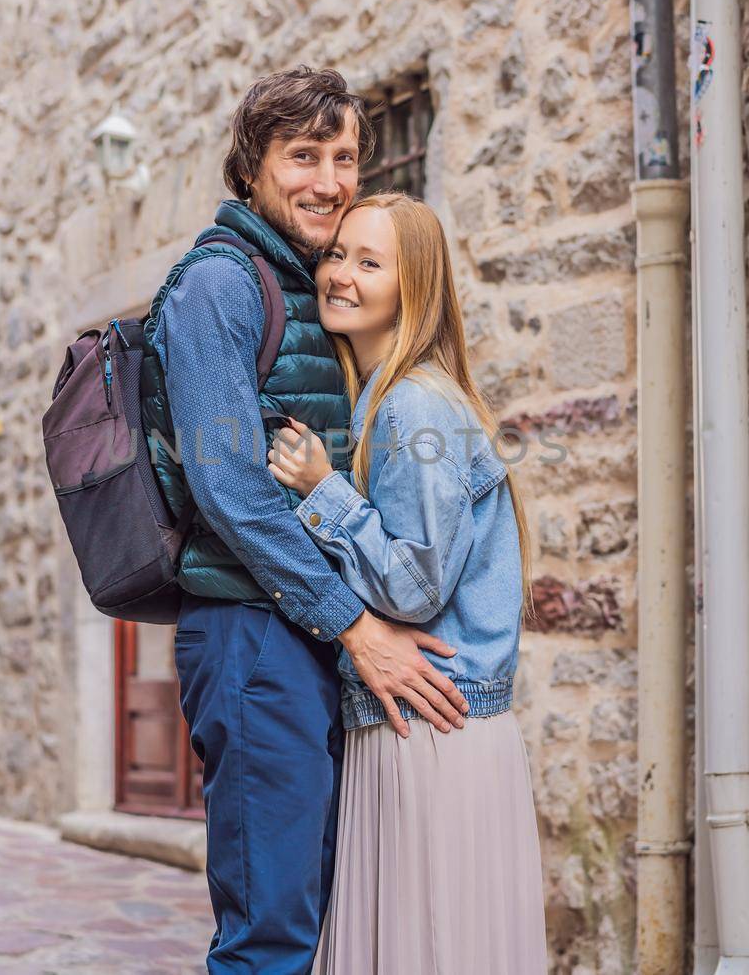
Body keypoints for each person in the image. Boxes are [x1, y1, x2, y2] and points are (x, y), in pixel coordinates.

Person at [149, 69, 471, 974]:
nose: (329, 180)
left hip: (294, 635)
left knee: (312, 915)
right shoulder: (219, 284)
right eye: (303, 156)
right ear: (251, 167)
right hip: (253, 639)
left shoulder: (305, 281)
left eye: (344, 158)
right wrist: (357, 625)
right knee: (270, 933)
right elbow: (230, 486)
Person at [267, 192, 548, 974]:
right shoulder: (390, 399)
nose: (340, 274)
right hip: (433, 721)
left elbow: (415, 584)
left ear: (413, 287)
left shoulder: (409, 405)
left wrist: (324, 489)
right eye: (336, 254)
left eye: (369, 261)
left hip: (429, 723)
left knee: (425, 946)